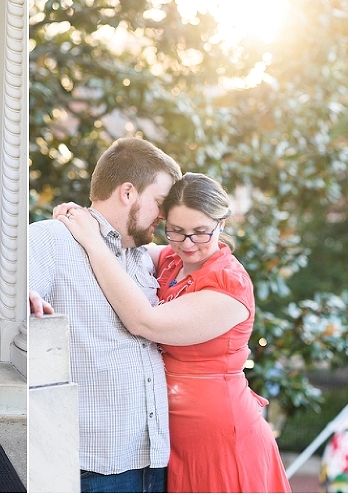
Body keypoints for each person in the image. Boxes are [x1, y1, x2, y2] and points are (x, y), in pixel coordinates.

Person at [56, 172, 292, 493]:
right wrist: (83, 219)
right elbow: (121, 249)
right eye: (176, 231)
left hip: (221, 439)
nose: (188, 244)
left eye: (201, 233)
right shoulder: (170, 259)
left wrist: (93, 242)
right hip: (172, 441)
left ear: (221, 224)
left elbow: (144, 322)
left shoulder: (229, 283)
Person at [29, 137, 182, 493]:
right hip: (95, 467)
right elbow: (20, 291)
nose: (164, 215)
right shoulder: (53, 239)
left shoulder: (145, 255)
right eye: (160, 203)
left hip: (154, 460)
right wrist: (26, 297)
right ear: (128, 192)